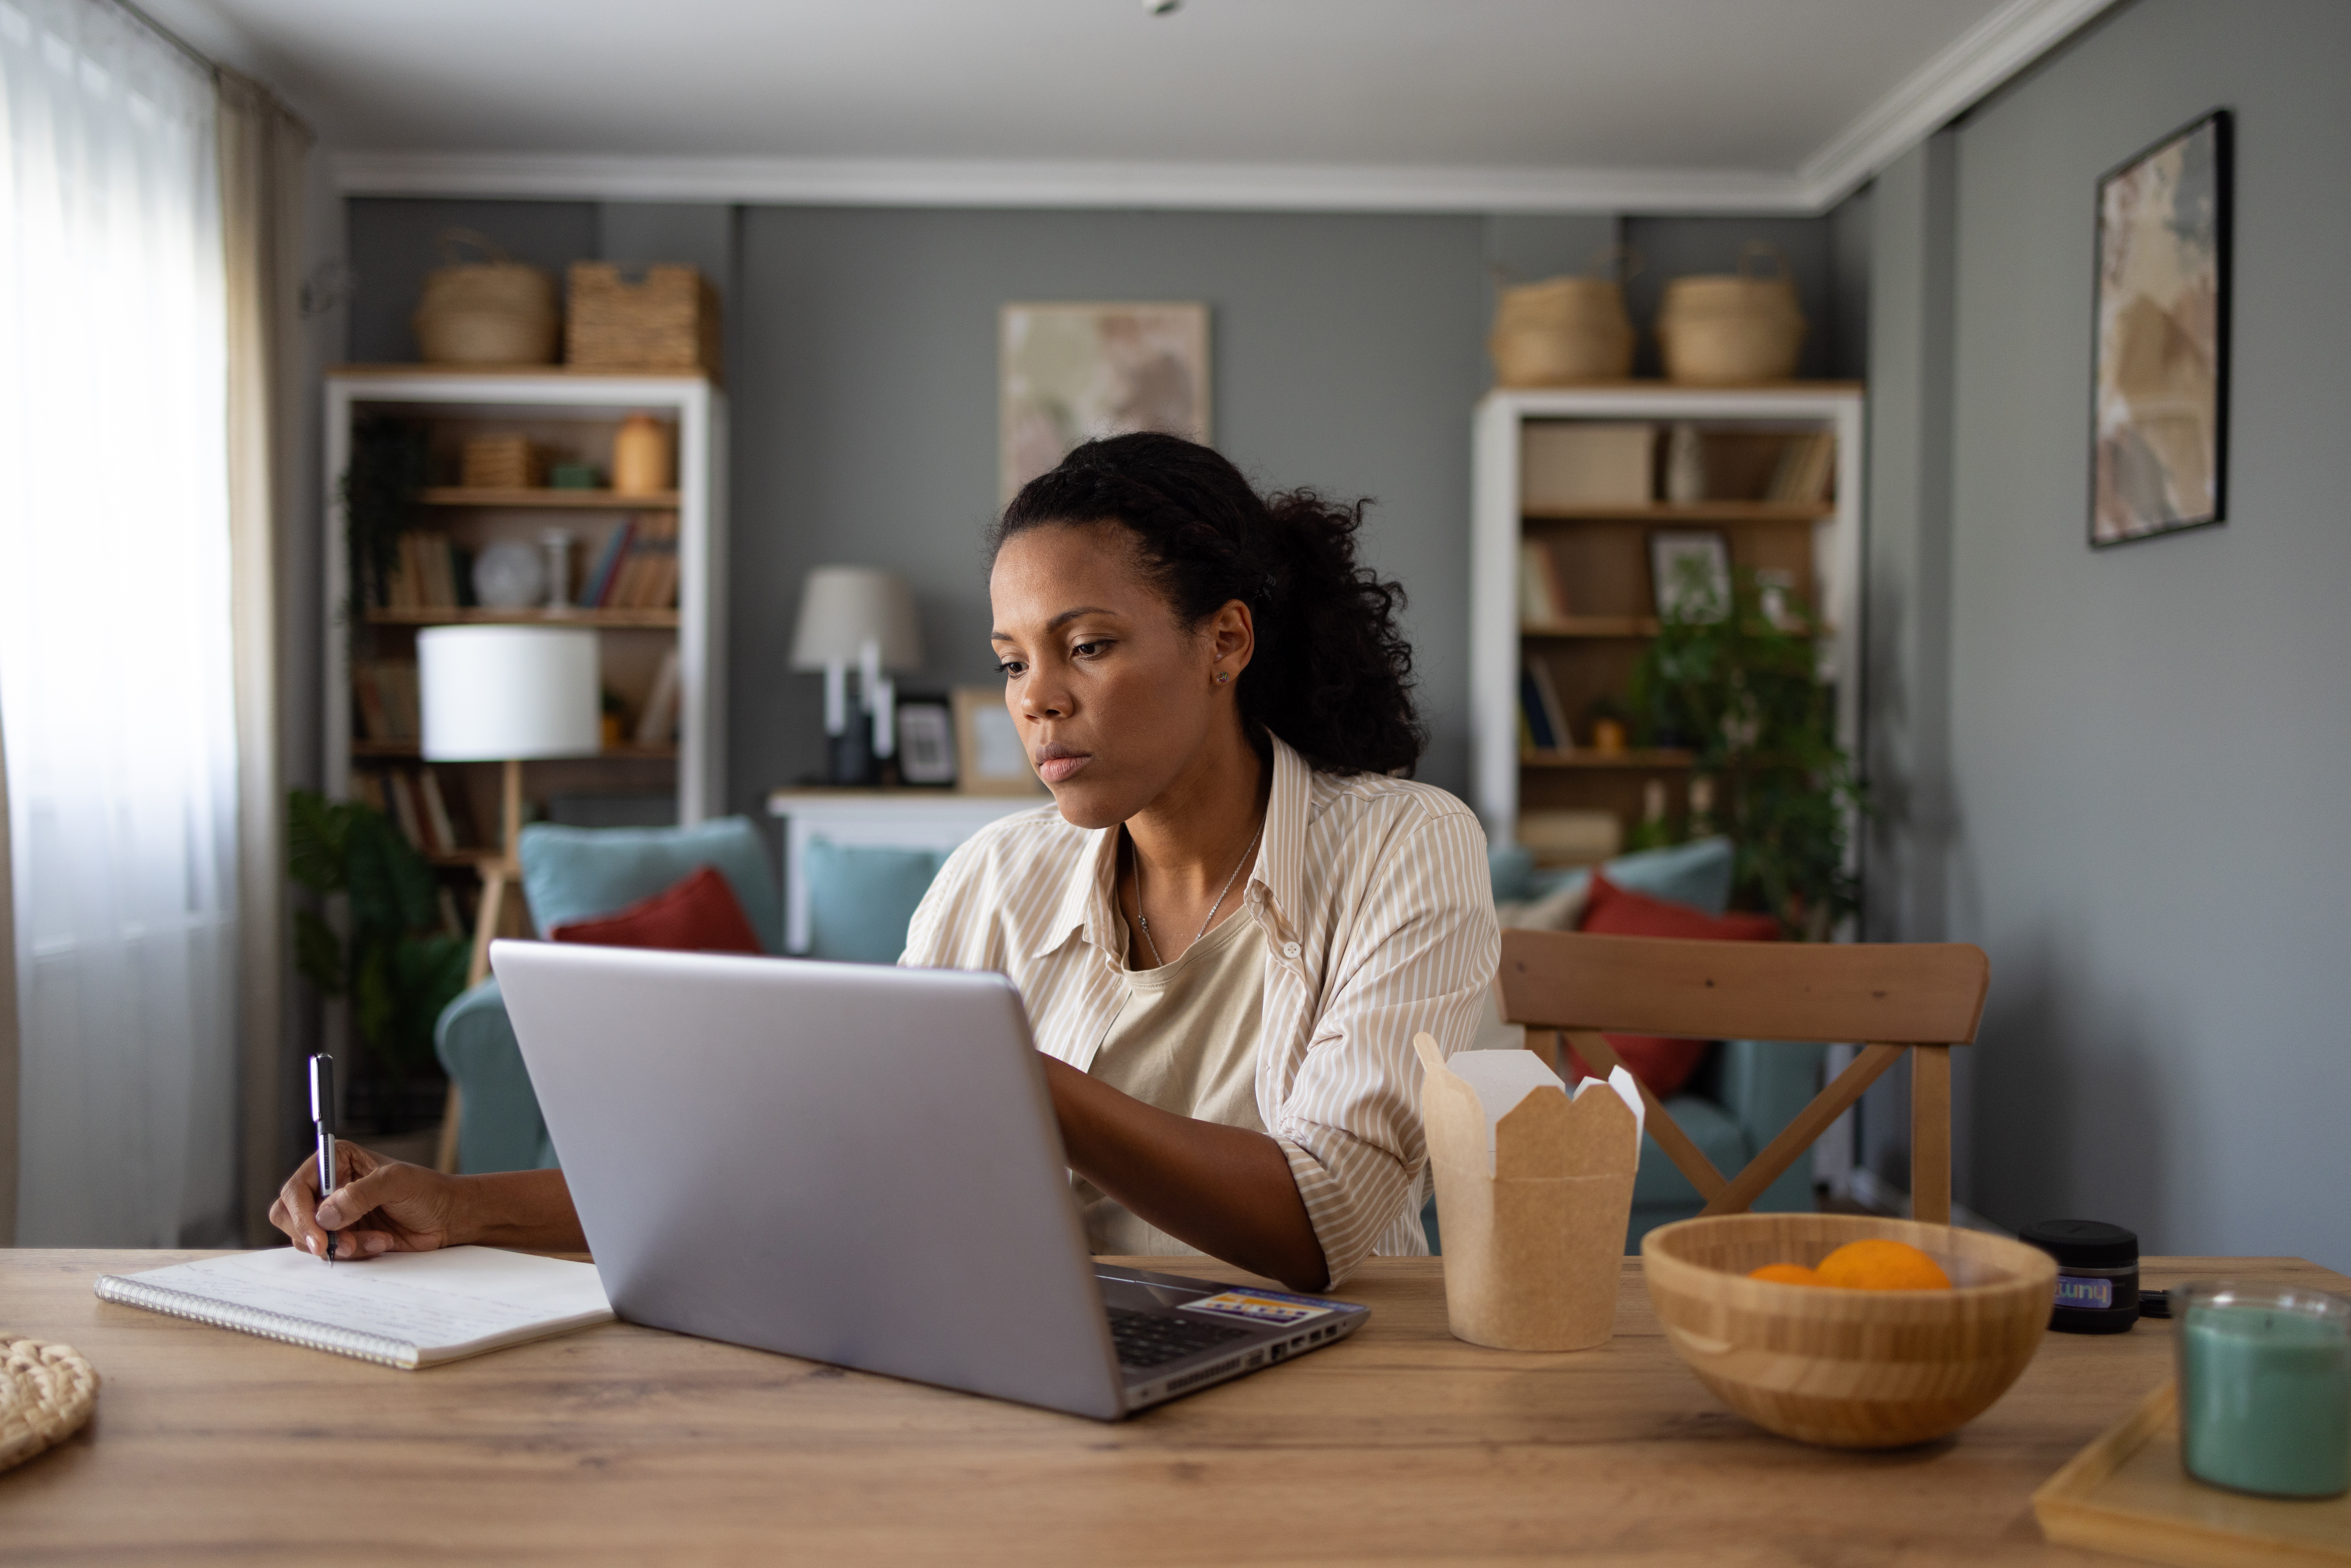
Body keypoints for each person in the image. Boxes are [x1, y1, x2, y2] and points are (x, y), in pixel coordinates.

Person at [274, 433, 1499, 1292]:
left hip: (1335, 1385)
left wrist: (998, 1075)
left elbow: (1322, 1216)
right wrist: (459, 1204)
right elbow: (813, 1163)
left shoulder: (1404, 843)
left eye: (1088, 645)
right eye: (1015, 661)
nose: (1039, 702)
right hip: (1056, 1371)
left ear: (1224, 639)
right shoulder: (992, 878)